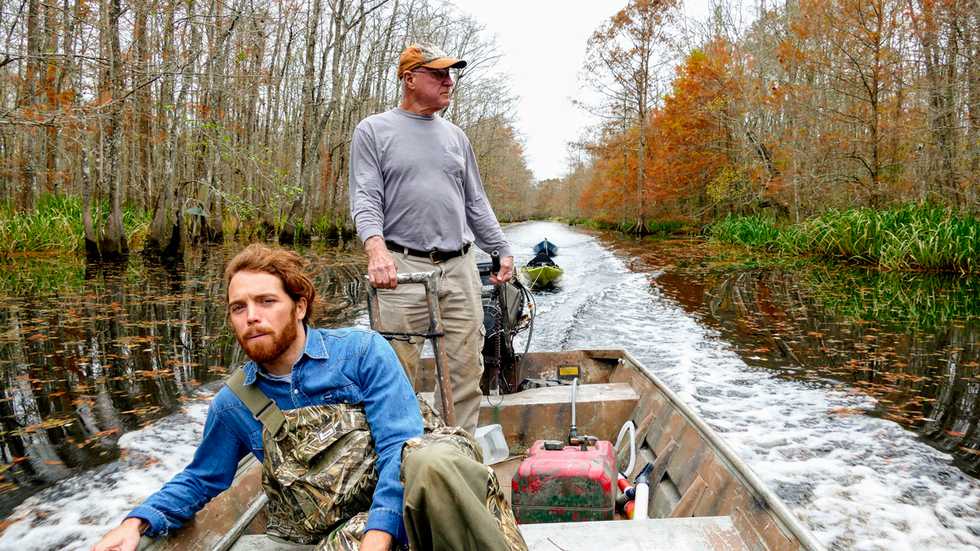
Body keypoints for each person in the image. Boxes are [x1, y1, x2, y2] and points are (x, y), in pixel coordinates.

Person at [91, 244, 526, 551]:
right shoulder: (233, 403)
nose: (252, 317)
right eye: (239, 308)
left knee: (431, 461)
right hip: (340, 531)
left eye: (265, 301)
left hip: (412, 501)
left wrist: (378, 535)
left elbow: (400, 446)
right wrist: (137, 522)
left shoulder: (361, 352)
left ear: (299, 306)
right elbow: (202, 478)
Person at [349, 43, 514, 435]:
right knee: (395, 369)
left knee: (466, 369)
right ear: (409, 79)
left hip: (459, 267)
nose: (448, 81)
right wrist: (375, 249)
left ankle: (456, 454)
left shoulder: (456, 137)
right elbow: (365, 196)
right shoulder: (373, 130)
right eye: (438, 74)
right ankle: (402, 458)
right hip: (400, 267)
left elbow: (475, 201)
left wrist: (501, 248)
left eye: (450, 74)